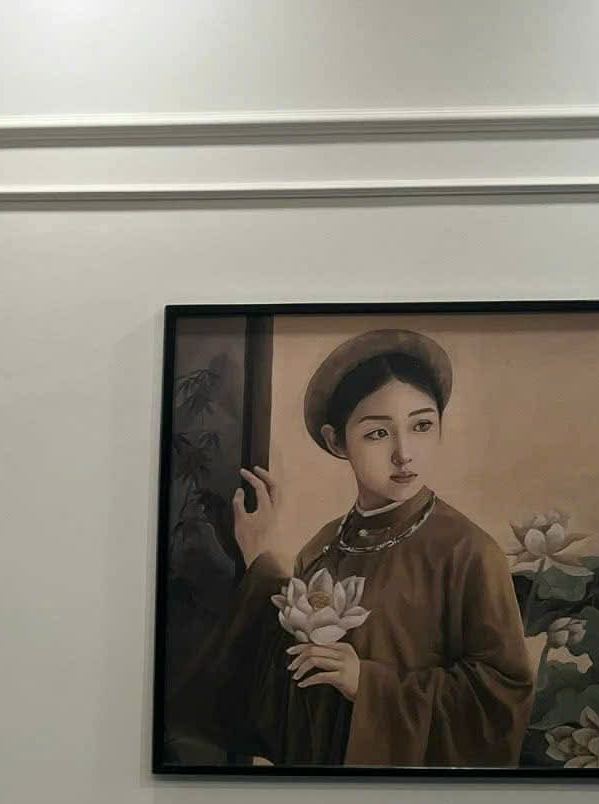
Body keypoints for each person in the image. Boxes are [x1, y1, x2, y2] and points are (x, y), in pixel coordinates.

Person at [179, 328, 533, 767]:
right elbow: (283, 696)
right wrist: (263, 562)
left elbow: (501, 699)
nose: (404, 453)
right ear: (336, 441)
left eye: (422, 425)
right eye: (378, 433)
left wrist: (368, 684)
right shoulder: (323, 547)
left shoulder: (469, 552)